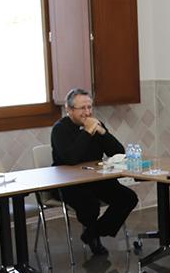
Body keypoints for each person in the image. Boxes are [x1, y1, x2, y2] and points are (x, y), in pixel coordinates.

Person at [51, 88, 138, 255]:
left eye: (89, 107)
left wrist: (102, 132)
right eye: (82, 108)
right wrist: (87, 132)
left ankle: (93, 232)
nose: (87, 112)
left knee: (128, 198)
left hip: (96, 179)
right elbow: (71, 158)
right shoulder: (60, 129)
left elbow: (118, 152)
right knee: (90, 205)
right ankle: (94, 238)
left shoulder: (96, 124)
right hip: (69, 183)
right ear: (69, 110)